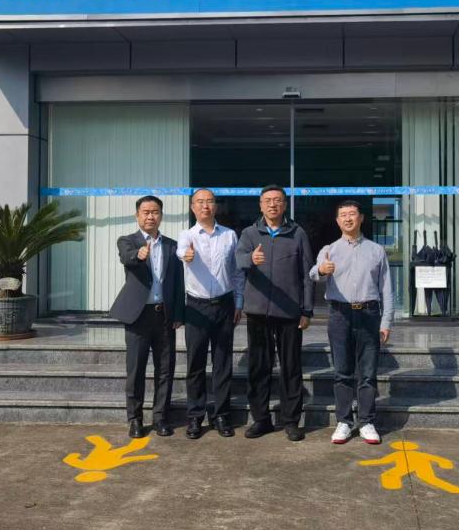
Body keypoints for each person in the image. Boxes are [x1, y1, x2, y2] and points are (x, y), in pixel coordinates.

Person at [235, 184, 314, 441]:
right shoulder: (249, 233)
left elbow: (307, 274)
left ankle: (290, 421)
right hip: (258, 312)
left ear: (285, 205)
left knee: (291, 368)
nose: (273, 204)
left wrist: (307, 309)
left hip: (290, 312)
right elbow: (237, 260)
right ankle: (261, 419)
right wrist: (251, 259)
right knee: (259, 367)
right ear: (260, 205)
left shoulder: (297, 233)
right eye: (268, 200)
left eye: (278, 200)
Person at [311, 199, 394, 445]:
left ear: (361, 218)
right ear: (338, 221)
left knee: (368, 372)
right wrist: (322, 270)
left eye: (352, 214)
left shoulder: (376, 250)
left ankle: (367, 421)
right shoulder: (329, 250)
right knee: (342, 371)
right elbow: (313, 274)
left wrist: (386, 321)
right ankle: (345, 422)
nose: (348, 218)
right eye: (343, 215)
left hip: (369, 313)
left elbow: (386, 289)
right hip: (340, 315)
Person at [109, 195, 185, 439]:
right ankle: (135, 419)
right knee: (136, 370)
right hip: (138, 317)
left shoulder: (172, 245)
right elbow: (126, 257)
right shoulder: (127, 241)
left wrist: (179, 313)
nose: (150, 216)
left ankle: (161, 418)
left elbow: (178, 283)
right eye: (146, 212)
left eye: (155, 212)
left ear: (161, 216)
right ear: (137, 215)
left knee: (165, 370)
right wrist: (139, 254)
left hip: (164, 316)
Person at [177, 188, 245, 439]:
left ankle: (221, 415)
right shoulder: (187, 235)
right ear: (192, 207)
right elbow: (180, 251)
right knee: (195, 363)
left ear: (216, 206)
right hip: (196, 306)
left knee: (222, 363)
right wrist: (186, 255)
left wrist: (239, 302)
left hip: (224, 305)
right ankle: (195, 416)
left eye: (209, 202)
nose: (205, 205)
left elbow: (237, 271)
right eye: (200, 202)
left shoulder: (229, 235)